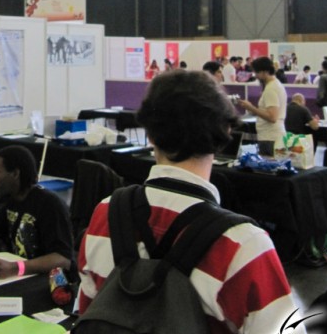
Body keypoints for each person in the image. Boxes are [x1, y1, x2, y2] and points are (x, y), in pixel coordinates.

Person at [78, 70, 299, 333]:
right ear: (224, 133)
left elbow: (86, 310)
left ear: (150, 134)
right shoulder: (244, 245)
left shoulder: (104, 215)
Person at [0, 145, 74, 279]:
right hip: (22, 277)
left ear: (15, 174)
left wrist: (15, 268)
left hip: (47, 281)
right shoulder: (14, 200)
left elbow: (63, 259)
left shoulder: (50, 204)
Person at [238, 56, 287, 146]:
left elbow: (272, 117)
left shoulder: (271, 89)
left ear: (265, 72)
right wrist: (251, 108)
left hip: (270, 138)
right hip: (272, 137)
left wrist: (251, 108)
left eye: (257, 72)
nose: (256, 76)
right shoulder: (275, 85)